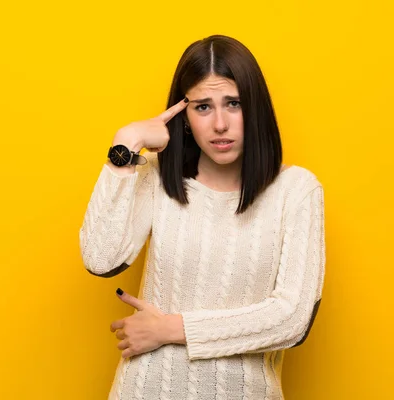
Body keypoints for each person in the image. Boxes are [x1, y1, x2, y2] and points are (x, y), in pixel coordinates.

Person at [79, 34, 326, 399]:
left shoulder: (296, 190)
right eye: (203, 107)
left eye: (234, 103)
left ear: (255, 108)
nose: (220, 124)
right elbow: (100, 258)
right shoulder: (156, 177)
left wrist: (170, 330)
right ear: (184, 116)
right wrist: (127, 143)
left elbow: (292, 319)